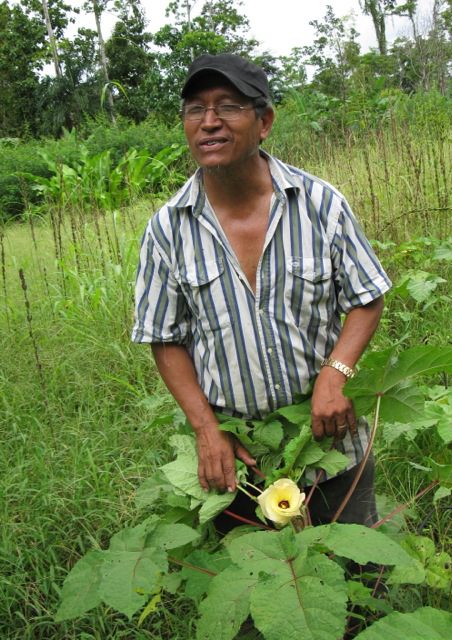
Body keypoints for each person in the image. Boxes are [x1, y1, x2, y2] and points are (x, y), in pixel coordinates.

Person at [132, 53, 391, 528]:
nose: (209, 123)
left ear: (264, 121)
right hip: (240, 459)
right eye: (195, 109)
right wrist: (206, 429)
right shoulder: (167, 229)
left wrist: (334, 376)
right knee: (262, 591)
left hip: (329, 443)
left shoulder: (319, 204)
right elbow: (164, 337)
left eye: (227, 106)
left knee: (358, 581)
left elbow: (367, 297)